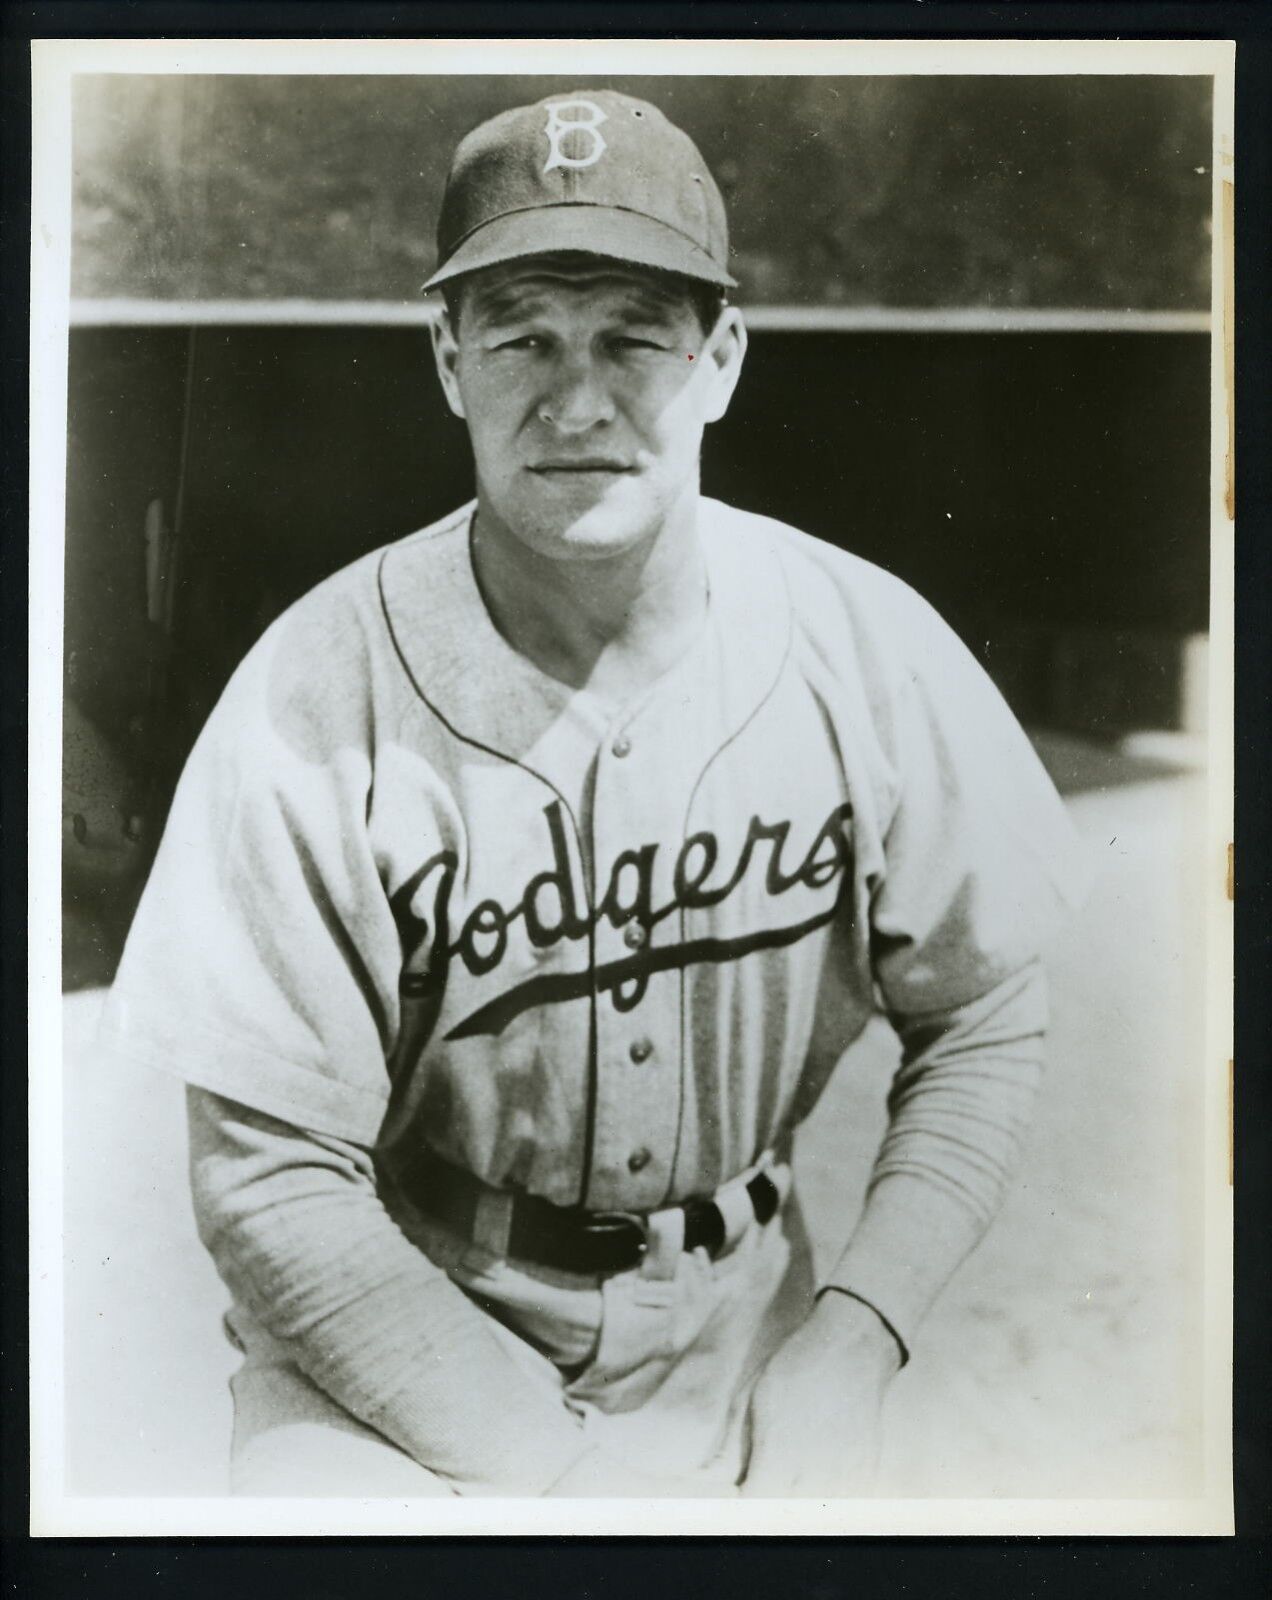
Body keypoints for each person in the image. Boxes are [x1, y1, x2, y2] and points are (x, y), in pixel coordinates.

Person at [101, 89, 1086, 1498]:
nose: (579, 401)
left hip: (751, 1323)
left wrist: (857, 1338)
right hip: (402, 1340)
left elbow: (986, 1010)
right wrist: (560, 1484)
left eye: (635, 337)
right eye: (521, 336)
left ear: (724, 356)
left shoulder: (858, 641)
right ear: (448, 359)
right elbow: (268, 1180)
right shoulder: (312, 693)